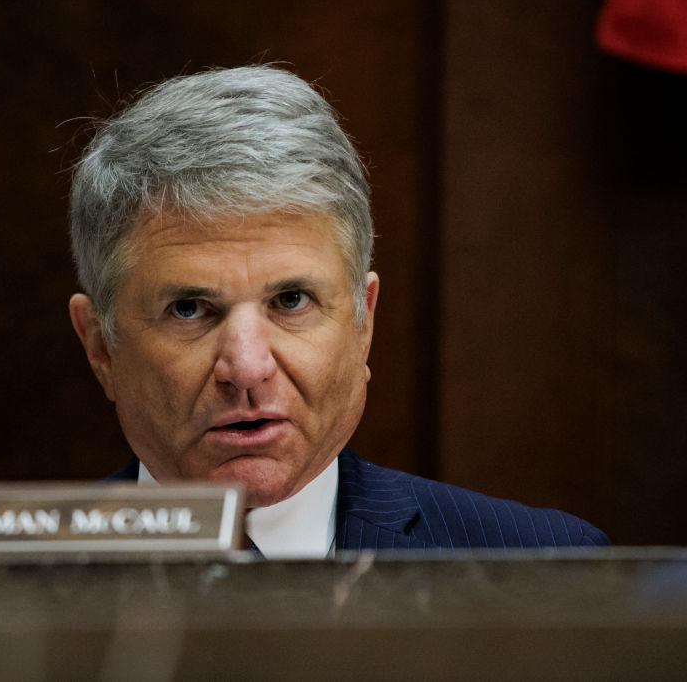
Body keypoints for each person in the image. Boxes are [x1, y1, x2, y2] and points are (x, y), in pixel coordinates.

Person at [67, 65, 609, 557]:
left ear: (362, 322)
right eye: (189, 309)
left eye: (291, 300)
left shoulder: (545, 567)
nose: (247, 368)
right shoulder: (1, 586)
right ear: (100, 346)